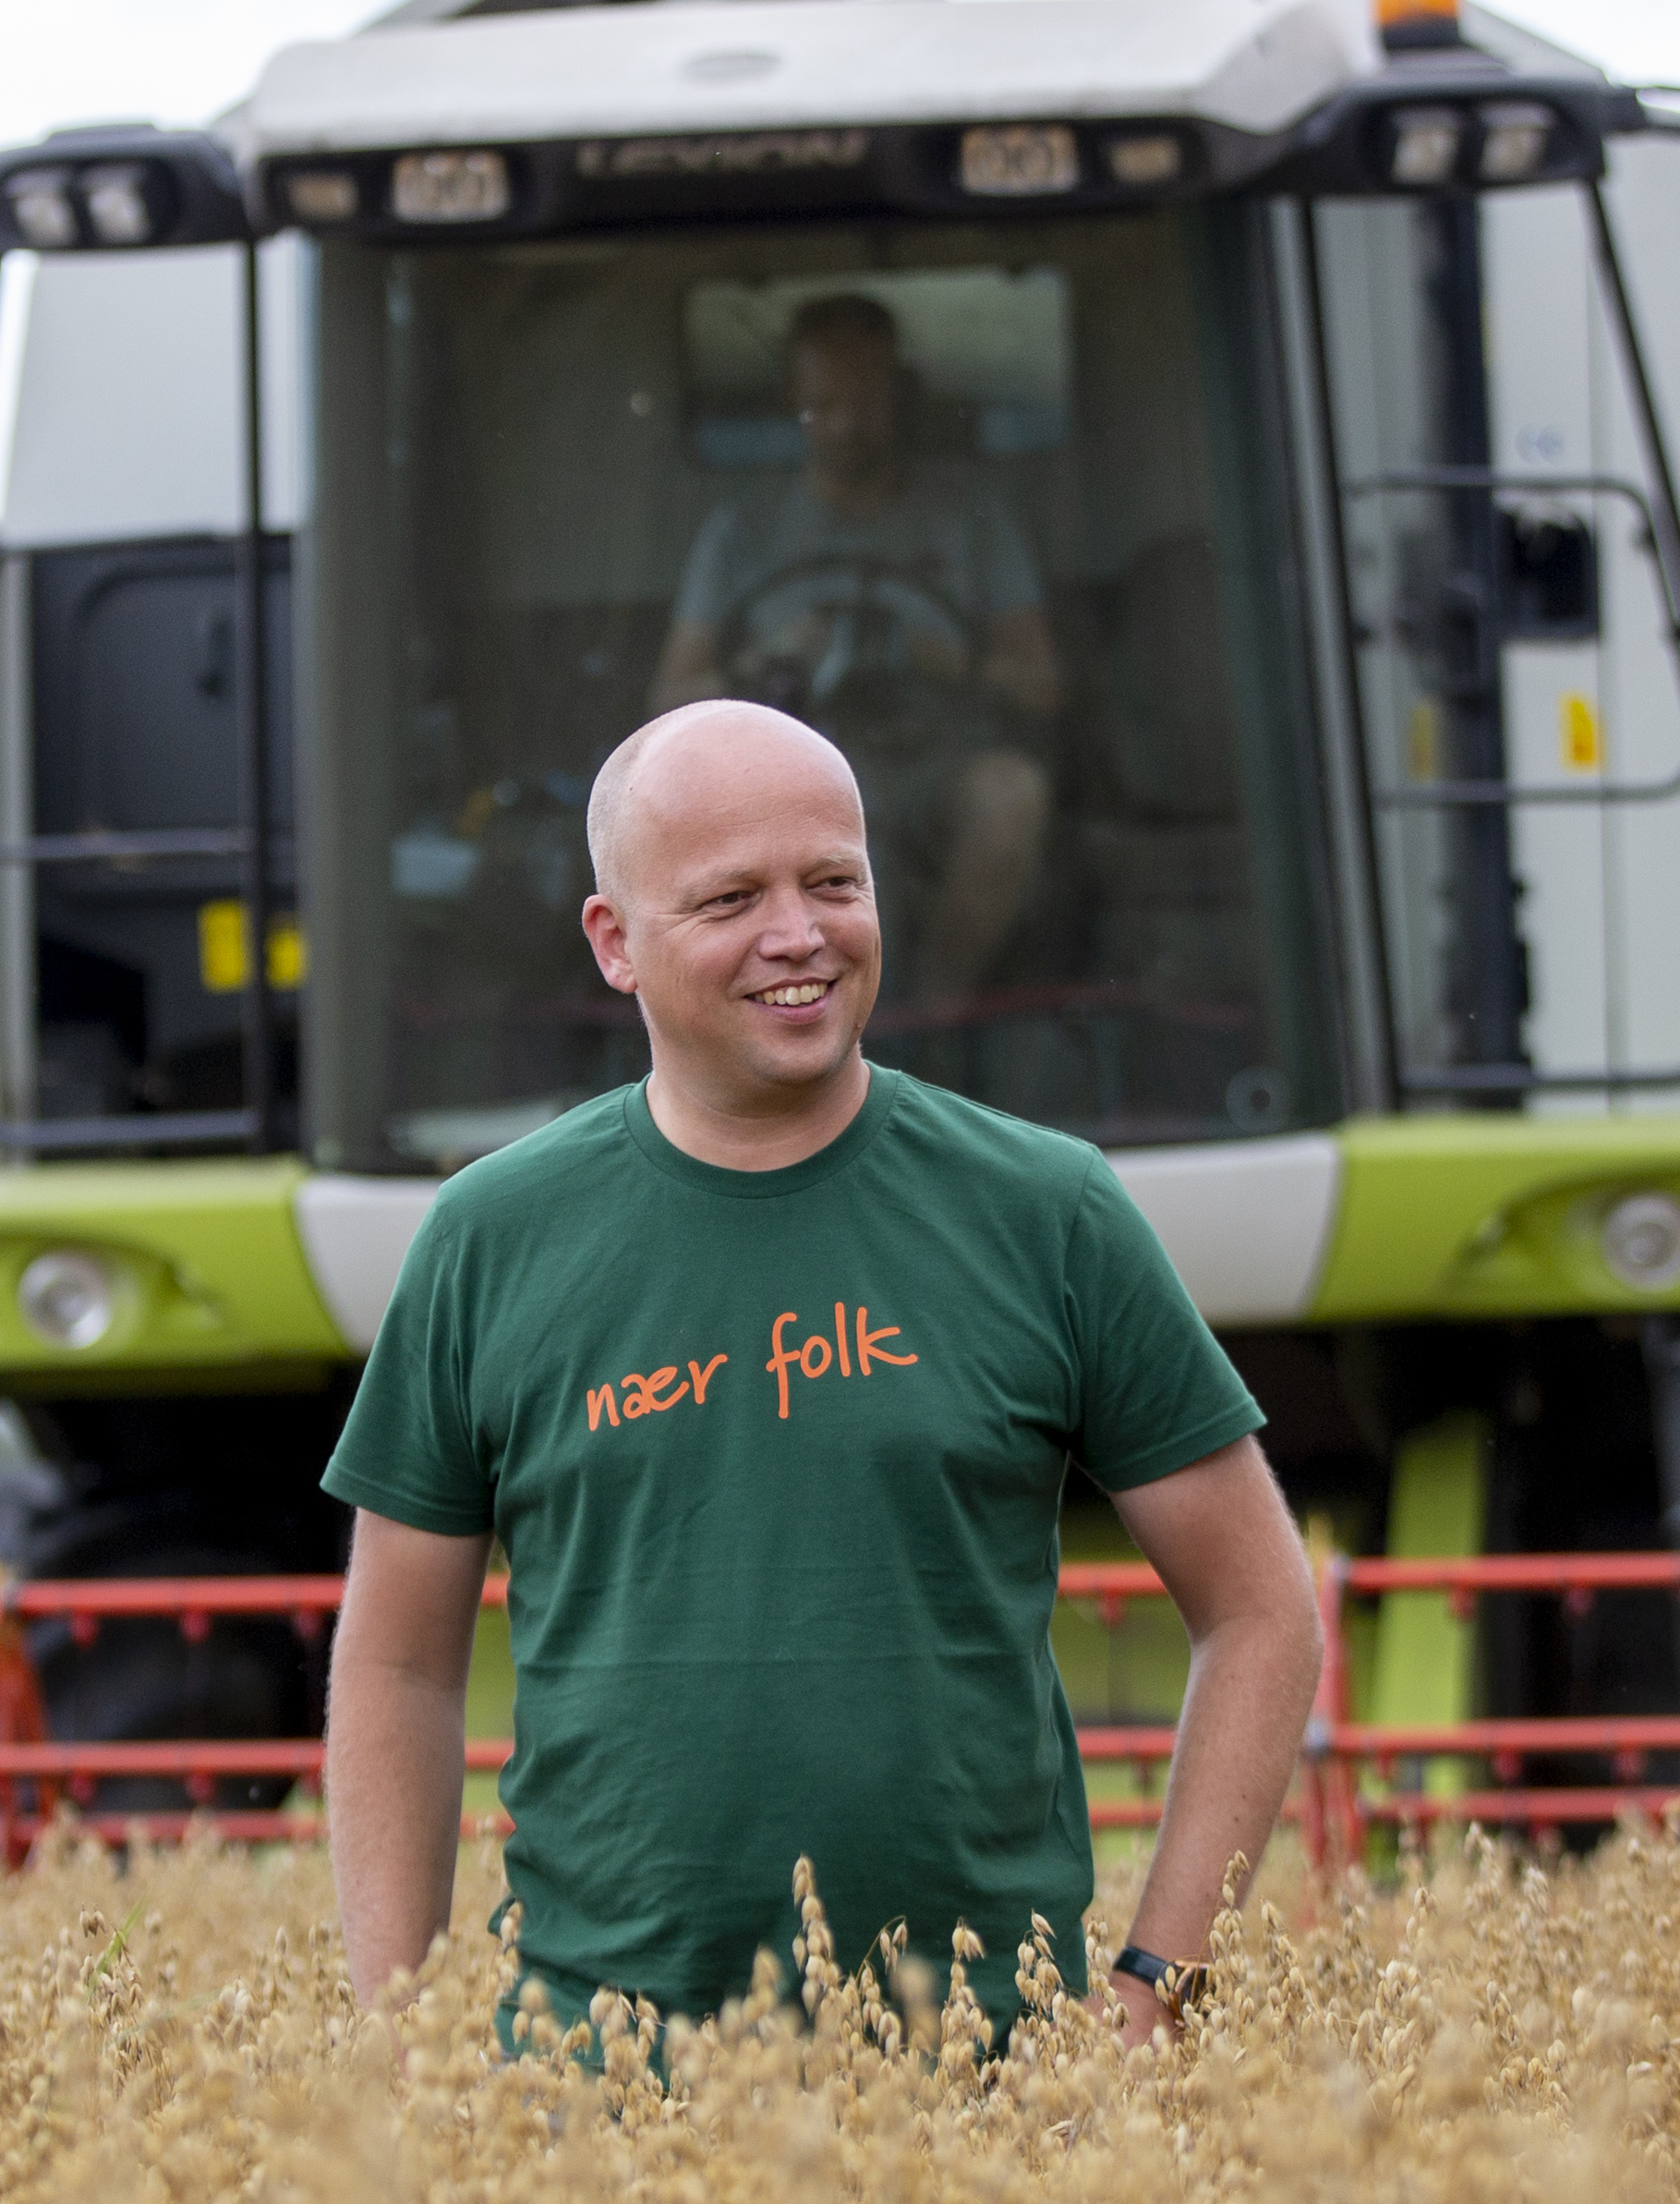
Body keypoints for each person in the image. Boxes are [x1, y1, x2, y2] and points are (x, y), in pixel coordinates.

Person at [319, 696, 1323, 2053]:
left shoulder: (1048, 1213)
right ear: (613, 942)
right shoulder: (488, 1242)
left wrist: (1159, 1989)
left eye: (832, 882)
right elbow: (395, 1666)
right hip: (590, 2102)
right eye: (729, 896)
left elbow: (1261, 1607)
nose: (796, 935)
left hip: (994, 2082)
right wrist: (395, 2040)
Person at [650, 294, 1062, 999]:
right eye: (823, 404)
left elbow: (1041, 682)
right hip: (783, 773)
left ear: (901, 396)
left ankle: (932, 1017)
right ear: (792, 403)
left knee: (1010, 797)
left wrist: (944, 657)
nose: (845, 424)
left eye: (866, 400)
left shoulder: (970, 517)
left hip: (939, 753)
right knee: (832, 817)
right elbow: (668, 697)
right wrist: (763, 663)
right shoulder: (740, 531)